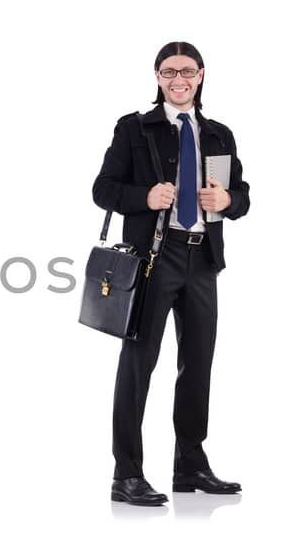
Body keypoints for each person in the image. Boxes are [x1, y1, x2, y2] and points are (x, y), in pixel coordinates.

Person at [91, 41, 250, 506]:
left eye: (187, 71)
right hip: (152, 261)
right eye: (168, 72)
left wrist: (228, 202)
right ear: (157, 76)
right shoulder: (135, 129)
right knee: (138, 364)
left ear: (201, 75)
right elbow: (103, 189)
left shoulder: (219, 134)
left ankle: (190, 464)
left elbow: (241, 195)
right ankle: (127, 472)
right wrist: (146, 197)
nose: (178, 80)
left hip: (202, 259)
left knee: (198, 364)